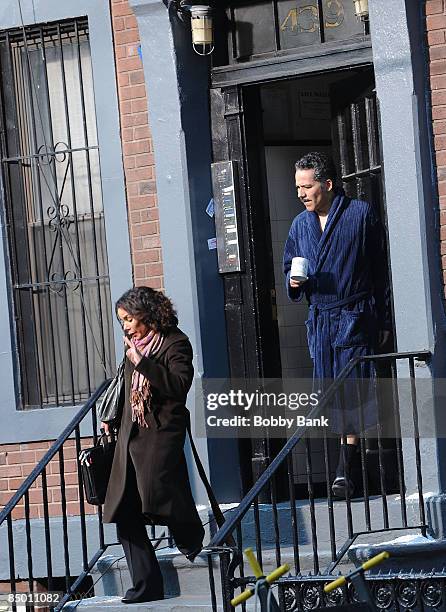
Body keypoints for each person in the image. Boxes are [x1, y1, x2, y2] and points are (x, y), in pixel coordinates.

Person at [283, 152, 391, 498]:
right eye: (298, 186)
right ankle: (346, 467)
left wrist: (383, 317)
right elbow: (289, 266)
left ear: (327, 184)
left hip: (353, 315)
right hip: (321, 319)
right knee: (330, 393)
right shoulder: (300, 225)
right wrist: (294, 283)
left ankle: (346, 470)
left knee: (353, 391)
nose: (301, 193)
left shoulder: (360, 215)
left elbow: (380, 269)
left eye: (307, 185)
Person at [102, 286, 204, 604]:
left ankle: (189, 534)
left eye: (129, 319)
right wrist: (112, 415)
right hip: (130, 432)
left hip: (161, 432)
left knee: (159, 492)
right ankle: (146, 585)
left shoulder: (176, 342)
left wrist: (142, 361)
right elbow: (125, 384)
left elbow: (178, 385)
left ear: (146, 313)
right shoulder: (134, 345)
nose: (126, 326)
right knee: (123, 509)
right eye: (122, 321)